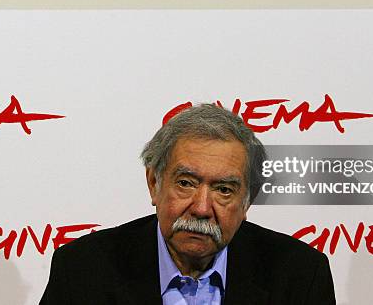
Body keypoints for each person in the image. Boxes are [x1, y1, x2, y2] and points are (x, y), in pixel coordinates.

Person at [40, 104, 335, 304]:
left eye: (224, 189)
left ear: (248, 200)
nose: (202, 208)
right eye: (186, 183)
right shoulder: (83, 270)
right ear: (154, 183)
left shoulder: (299, 276)